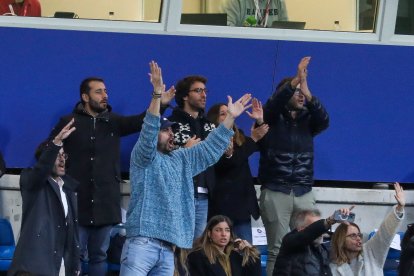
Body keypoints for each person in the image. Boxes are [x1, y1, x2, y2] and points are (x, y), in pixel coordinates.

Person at [120, 61, 252, 275]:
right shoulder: (144, 158)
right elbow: (148, 130)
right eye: (165, 131)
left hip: (168, 247)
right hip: (142, 242)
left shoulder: (181, 159)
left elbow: (210, 149)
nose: (171, 134)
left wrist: (230, 119)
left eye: (172, 131)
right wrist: (156, 96)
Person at [47, 76, 175, 275]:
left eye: (106, 91)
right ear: (85, 96)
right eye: (99, 92)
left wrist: (160, 102)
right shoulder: (69, 122)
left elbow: (143, 120)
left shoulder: (113, 121)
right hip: (77, 201)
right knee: (75, 254)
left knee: (100, 255)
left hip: (105, 202)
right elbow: (48, 150)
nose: (105, 95)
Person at [258, 56, 330, 275]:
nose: (301, 95)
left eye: (302, 92)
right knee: (277, 249)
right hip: (276, 189)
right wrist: (294, 81)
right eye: (296, 91)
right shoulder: (268, 118)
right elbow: (273, 105)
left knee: (314, 242)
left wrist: (307, 91)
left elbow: (325, 120)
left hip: (303, 189)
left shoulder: (309, 120)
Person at [8, 120, 80, 276]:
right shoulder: (31, 182)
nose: (62, 160)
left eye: (64, 155)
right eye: (57, 156)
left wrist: (75, 265)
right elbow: (40, 171)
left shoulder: (68, 190)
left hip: (60, 266)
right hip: (34, 268)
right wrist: (56, 143)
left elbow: (71, 233)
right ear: (46, 159)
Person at [206, 99, 269, 242]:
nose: (229, 116)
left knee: (244, 253)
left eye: (229, 113)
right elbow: (230, 162)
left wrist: (260, 121)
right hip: (222, 206)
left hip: (242, 206)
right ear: (213, 119)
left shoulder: (238, 136)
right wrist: (252, 140)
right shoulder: (211, 139)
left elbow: (264, 145)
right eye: (223, 114)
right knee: (219, 252)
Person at [168, 75, 216, 240]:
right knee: (177, 244)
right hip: (179, 194)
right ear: (184, 96)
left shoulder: (209, 125)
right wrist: (184, 149)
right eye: (198, 91)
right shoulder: (170, 123)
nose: (204, 95)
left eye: (205, 91)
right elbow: (161, 156)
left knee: (195, 248)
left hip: (203, 194)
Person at [330, 182, 405, 276]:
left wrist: (399, 208)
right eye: (353, 235)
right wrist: (331, 220)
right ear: (341, 240)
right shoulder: (332, 268)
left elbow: (385, 233)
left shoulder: (371, 253)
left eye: (359, 235)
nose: (358, 238)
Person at [273, 207, 353, 276]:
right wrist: (329, 221)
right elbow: (306, 235)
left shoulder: (322, 249)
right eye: (315, 226)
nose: (321, 231)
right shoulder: (290, 241)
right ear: (301, 229)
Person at [187, 215, 261, 276]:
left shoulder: (235, 256)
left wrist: (250, 251)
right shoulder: (197, 257)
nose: (223, 234)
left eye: (227, 230)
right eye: (218, 230)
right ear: (209, 233)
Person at [220, 0, 288, 27]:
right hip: (241, 48)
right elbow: (226, 32)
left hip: (270, 50)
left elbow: (286, 30)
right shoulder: (235, 2)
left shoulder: (279, 2)